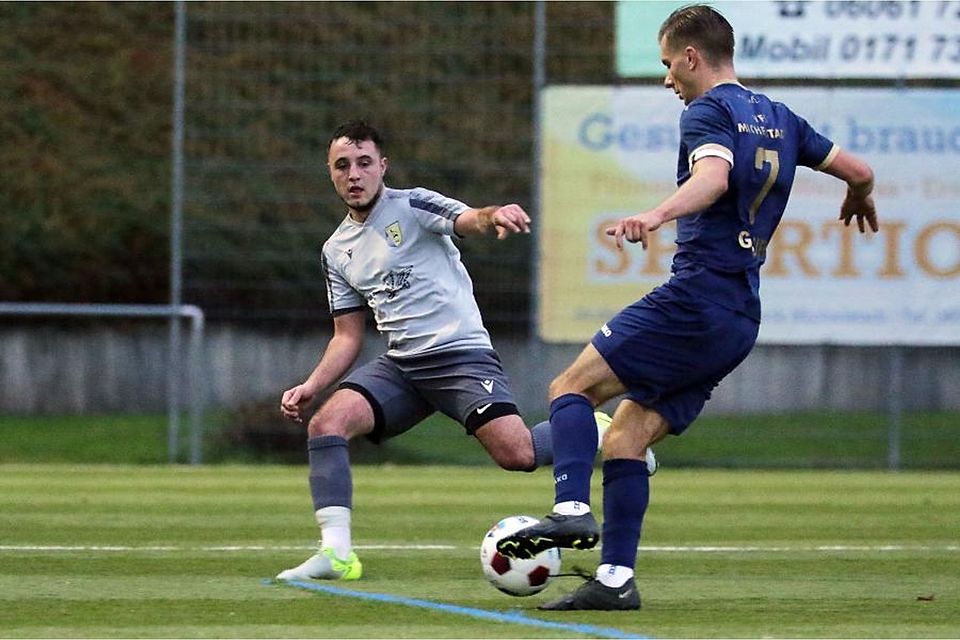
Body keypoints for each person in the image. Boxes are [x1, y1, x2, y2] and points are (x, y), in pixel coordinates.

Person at [496, 4, 878, 611]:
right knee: (625, 439)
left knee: (571, 388)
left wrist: (655, 214)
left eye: (669, 64)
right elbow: (859, 169)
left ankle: (569, 510)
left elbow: (715, 179)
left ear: (693, 58)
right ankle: (616, 581)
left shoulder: (709, 110)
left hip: (697, 295)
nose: (667, 77)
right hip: (738, 318)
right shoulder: (780, 118)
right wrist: (859, 193)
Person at [275, 120, 652, 581]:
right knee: (327, 423)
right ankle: (336, 556)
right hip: (402, 367)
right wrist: (312, 385)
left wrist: (494, 215)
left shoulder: (412, 205)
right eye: (342, 166)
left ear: (382, 166)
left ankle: (593, 428)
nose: (354, 174)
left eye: (364, 163)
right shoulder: (335, 250)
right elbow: (347, 336)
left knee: (518, 455)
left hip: (459, 356)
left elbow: (467, 218)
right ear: (331, 173)